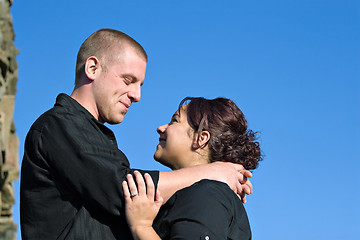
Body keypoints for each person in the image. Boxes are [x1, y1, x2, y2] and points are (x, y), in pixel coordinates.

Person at [20, 29, 253, 240]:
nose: (137, 95)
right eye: (128, 80)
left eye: (140, 84)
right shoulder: (58, 124)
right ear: (92, 68)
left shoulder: (208, 197)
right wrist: (211, 172)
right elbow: (124, 189)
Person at [123, 97, 263, 240]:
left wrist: (141, 226)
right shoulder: (197, 194)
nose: (161, 128)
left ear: (201, 138)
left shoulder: (207, 195)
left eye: (175, 121)